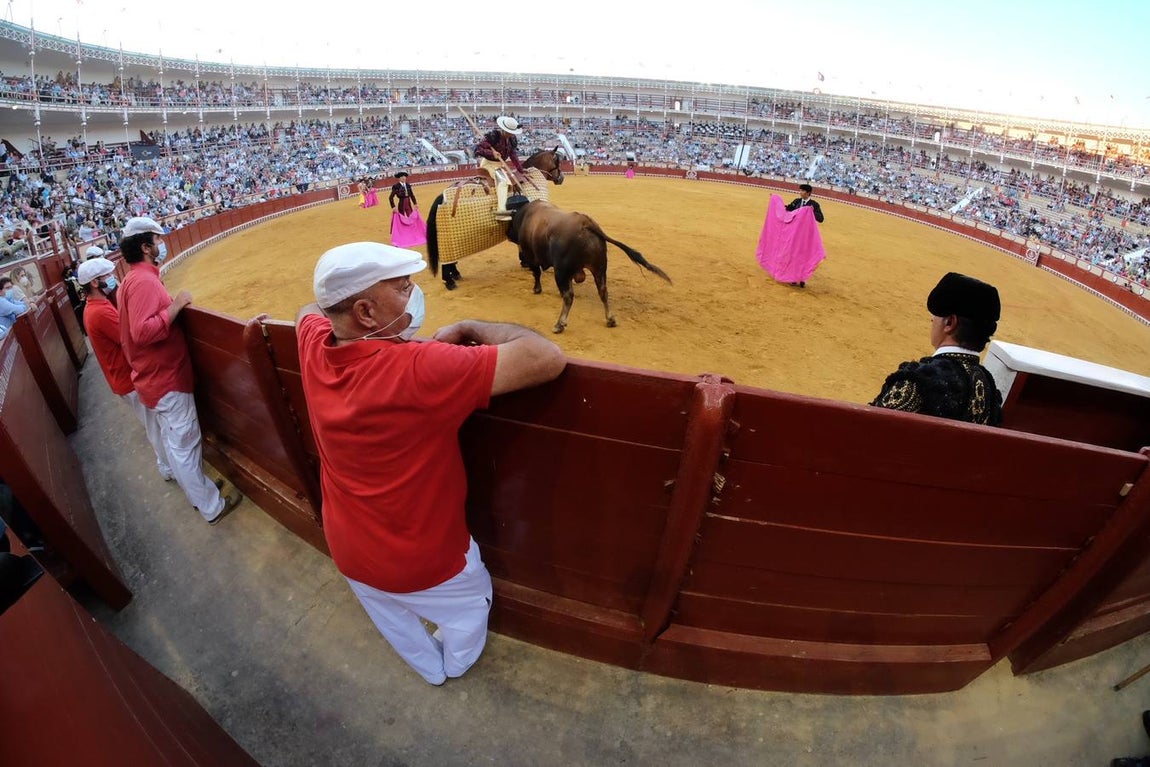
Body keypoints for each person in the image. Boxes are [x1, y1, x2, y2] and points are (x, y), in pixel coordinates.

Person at [296, 242, 566, 685]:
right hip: (425, 560)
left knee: (394, 621)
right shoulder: (420, 367)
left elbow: (308, 310)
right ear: (365, 312)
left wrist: (334, 308)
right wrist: (469, 325)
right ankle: (454, 666)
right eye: (403, 288)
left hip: (347, 547)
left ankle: (430, 671)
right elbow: (546, 357)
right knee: (470, 609)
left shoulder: (313, 344)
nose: (414, 294)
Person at [116, 216, 242, 525]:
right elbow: (143, 332)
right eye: (157, 240)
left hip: (153, 376)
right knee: (184, 444)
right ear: (145, 246)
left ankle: (199, 493)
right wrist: (177, 304)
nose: (161, 244)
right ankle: (211, 507)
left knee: (176, 444)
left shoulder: (132, 280)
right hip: (165, 377)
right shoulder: (143, 281)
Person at [77, 257, 174, 483]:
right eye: (107, 276)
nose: (112, 279)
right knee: (155, 425)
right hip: (128, 379)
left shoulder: (95, 307)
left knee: (153, 423)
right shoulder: (100, 311)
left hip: (123, 378)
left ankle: (168, 465)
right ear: (94, 283)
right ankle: (168, 467)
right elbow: (129, 337)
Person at [870, 272, 1004, 425]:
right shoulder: (989, 390)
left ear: (949, 323)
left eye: (936, 315)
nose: (932, 319)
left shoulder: (916, 381)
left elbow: (869, 429)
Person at [473, 116, 525, 221]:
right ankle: (501, 212)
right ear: (504, 130)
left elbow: (513, 155)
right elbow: (477, 150)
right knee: (502, 182)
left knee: (512, 180)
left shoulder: (512, 139)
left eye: (512, 132)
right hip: (488, 164)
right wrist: (491, 153)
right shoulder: (494, 136)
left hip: (500, 166)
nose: (511, 134)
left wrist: (521, 169)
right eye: (509, 132)